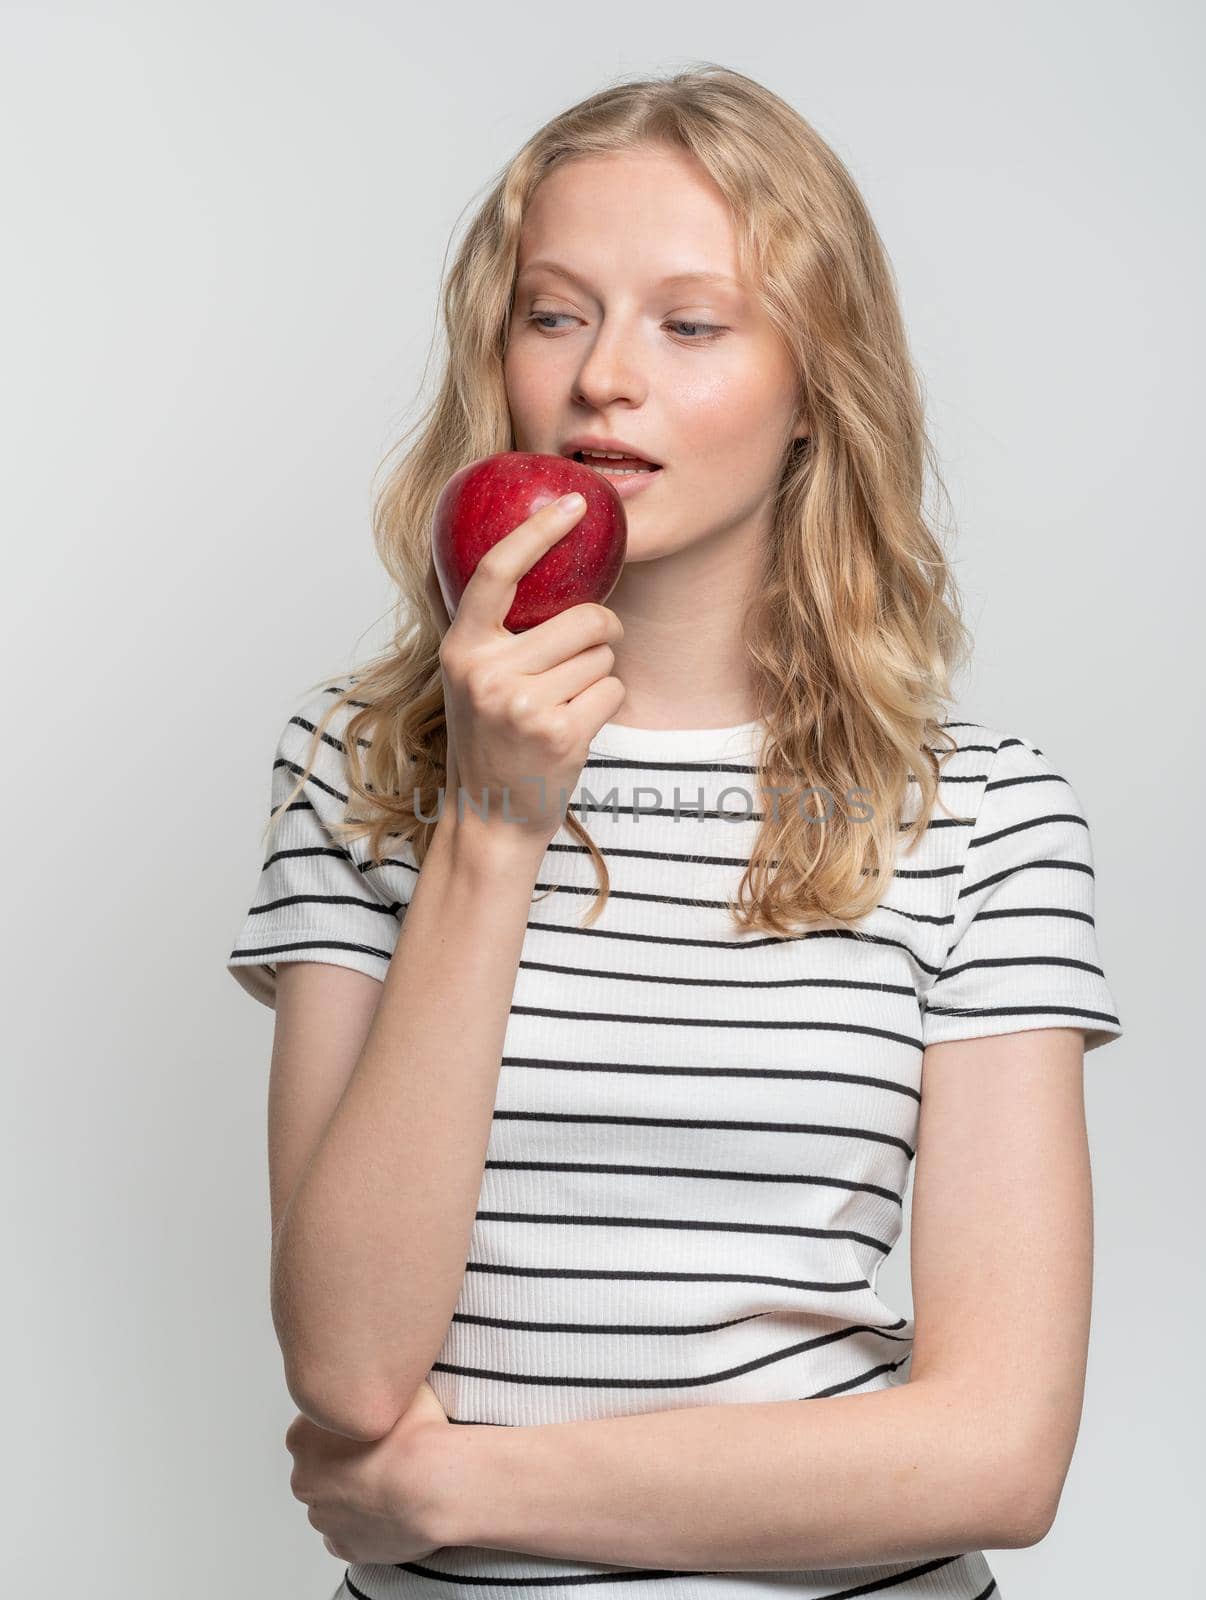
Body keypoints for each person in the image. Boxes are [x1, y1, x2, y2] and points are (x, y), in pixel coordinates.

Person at [227, 63, 1123, 1600]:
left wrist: (454, 1487)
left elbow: (997, 1456)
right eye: (554, 312)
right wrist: (494, 824)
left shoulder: (979, 814)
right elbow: (352, 1369)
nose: (602, 383)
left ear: (812, 389)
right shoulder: (358, 767)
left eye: (691, 324)